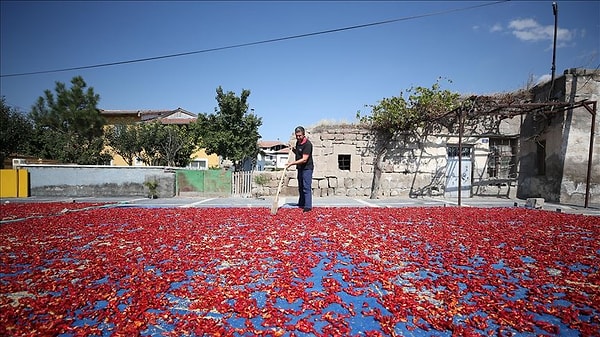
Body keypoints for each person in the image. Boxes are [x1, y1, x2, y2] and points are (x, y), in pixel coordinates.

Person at [286, 126, 314, 212]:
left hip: (307, 168)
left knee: (306, 187)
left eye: (300, 136)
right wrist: (293, 149)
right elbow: (299, 153)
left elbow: (304, 159)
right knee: (301, 186)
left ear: (304, 134)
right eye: (297, 136)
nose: (298, 137)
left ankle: (308, 206)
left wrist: (291, 164)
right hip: (300, 168)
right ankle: (301, 203)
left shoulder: (308, 144)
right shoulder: (298, 143)